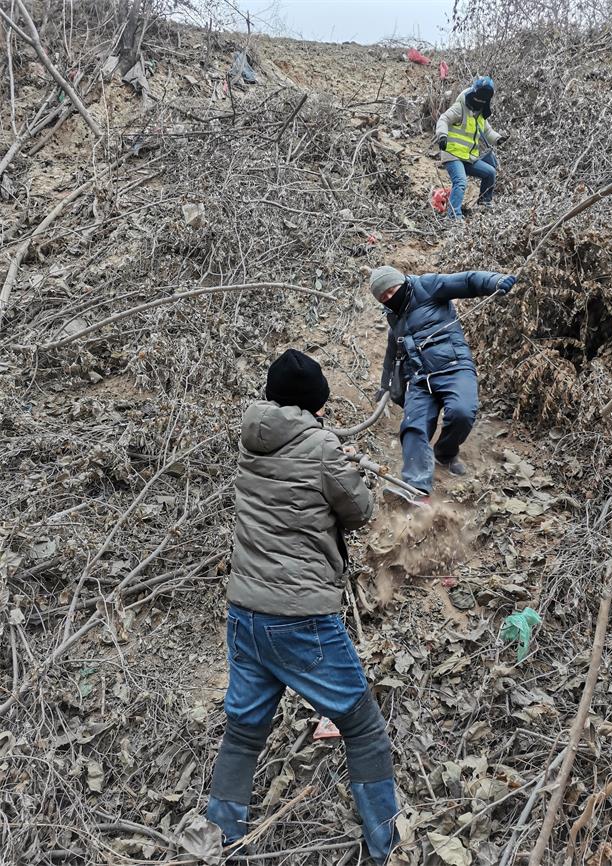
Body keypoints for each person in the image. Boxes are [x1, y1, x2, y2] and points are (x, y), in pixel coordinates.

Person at [206, 348, 400, 865]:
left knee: (245, 731)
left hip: (245, 613)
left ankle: (222, 839)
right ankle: (388, 845)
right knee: (362, 727)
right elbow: (357, 511)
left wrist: (333, 451)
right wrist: (355, 469)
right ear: (317, 404)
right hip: (301, 618)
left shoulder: (252, 440)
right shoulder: (321, 447)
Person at [370, 265, 516, 498]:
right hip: (419, 379)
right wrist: (384, 385)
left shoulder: (427, 285)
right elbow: (392, 355)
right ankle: (416, 488)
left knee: (461, 412)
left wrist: (495, 281)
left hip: (454, 367)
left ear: (401, 281)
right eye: (383, 296)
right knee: (412, 427)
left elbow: (467, 280)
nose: (389, 297)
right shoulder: (393, 319)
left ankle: (446, 453)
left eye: (390, 290)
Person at [435, 76, 508, 219]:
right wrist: (442, 136)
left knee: (490, 173)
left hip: (468, 157)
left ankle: (484, 204)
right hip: (453, 155)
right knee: (461, 182)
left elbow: (487, 132)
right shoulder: (460, 107)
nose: (480, 101)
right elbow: (444, 119)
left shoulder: (480, 114)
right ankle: (454, 217)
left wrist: (498, 139)